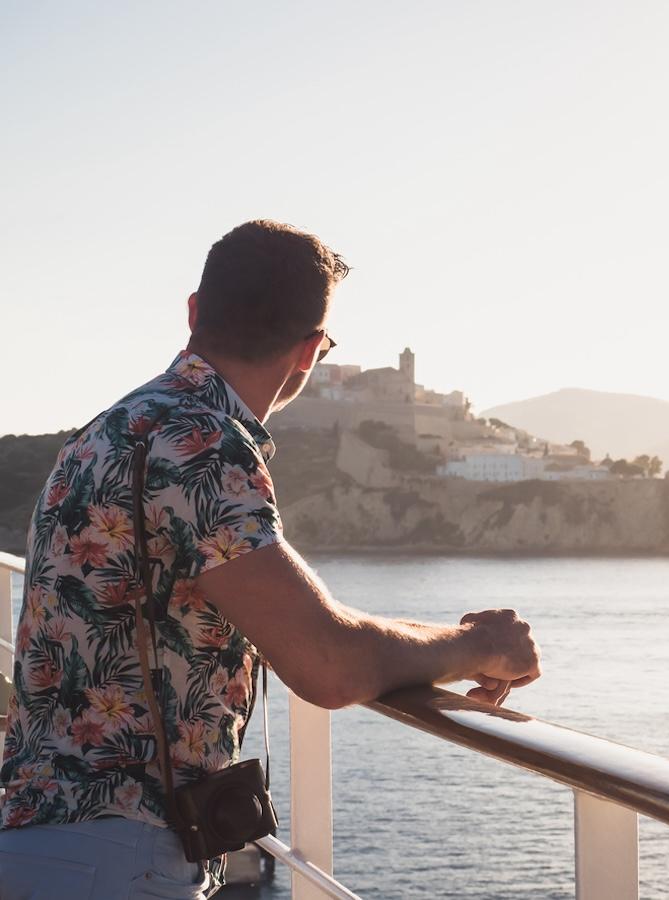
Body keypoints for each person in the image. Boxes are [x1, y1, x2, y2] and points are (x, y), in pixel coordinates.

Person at [0, 220, 541, 899]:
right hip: (118, 857)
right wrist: (479, 644)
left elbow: (295, 617)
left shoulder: (108, 431)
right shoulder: (204, 444)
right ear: (310, 351)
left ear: (194, 311)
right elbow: (328, 665)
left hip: (35, 836)